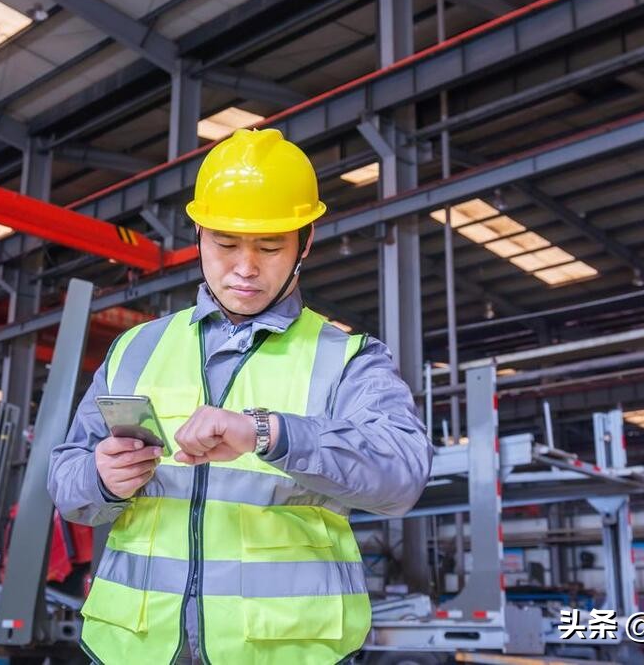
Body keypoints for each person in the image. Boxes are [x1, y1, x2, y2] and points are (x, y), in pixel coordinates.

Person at [49, 128, 434, 664]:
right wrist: (99, 477)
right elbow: (66, 479)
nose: (246, 267)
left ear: (306, 241)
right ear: (200, 234)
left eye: (270, 246)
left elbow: (402, 476)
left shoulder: (348, 359)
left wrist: (268, 432)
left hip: (285, 652)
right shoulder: (135, 349)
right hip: (131, 648)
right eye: (226, 244)